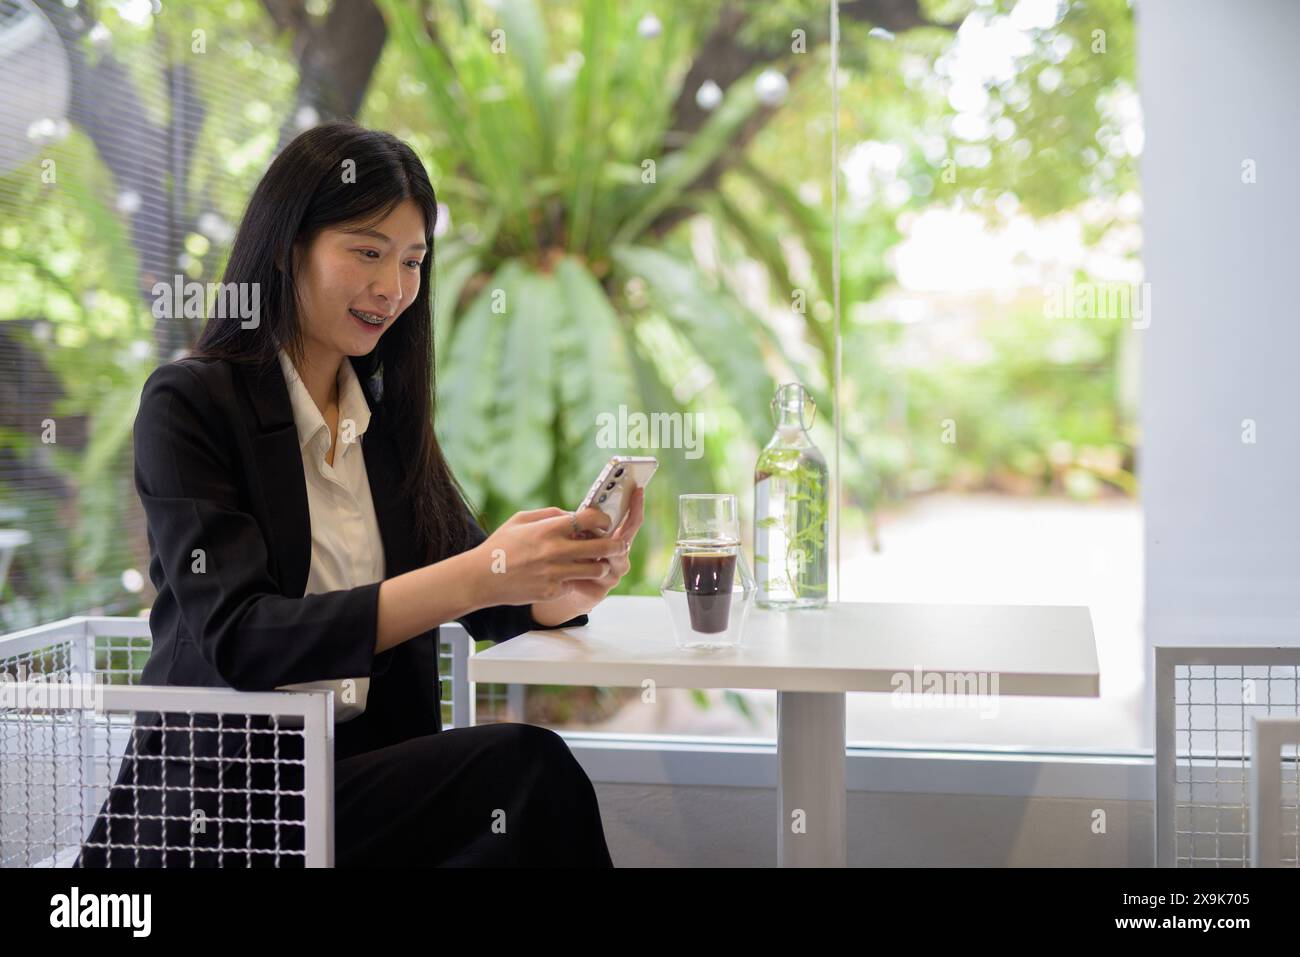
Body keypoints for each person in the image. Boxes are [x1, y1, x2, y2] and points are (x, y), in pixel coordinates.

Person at [73, 121, 641, 867]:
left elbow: (489, 596)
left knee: (521, 792)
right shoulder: (191, 405)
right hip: (228, 803)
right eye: (367, 252)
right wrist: (482, 571)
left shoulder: (382, 420)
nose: (393, 288)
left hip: (355, 780)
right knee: (528, 772)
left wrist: (568, 575)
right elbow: (243, 637)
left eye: (412, 261)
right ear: (287, 247)